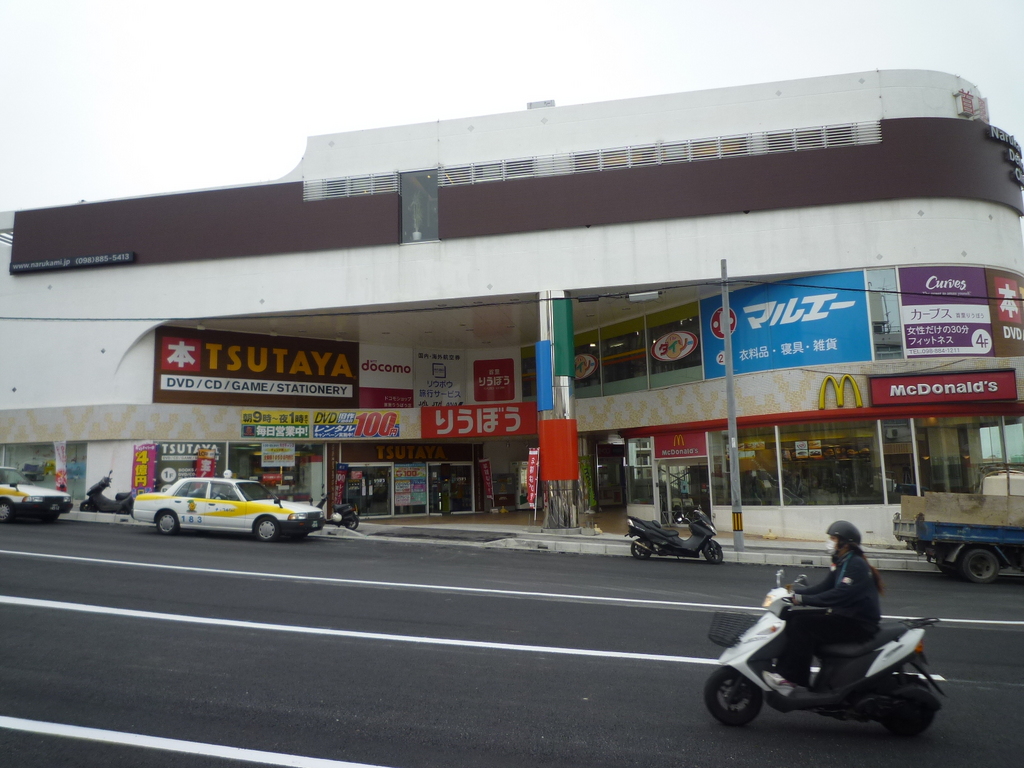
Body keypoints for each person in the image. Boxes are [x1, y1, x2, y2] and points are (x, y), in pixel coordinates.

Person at [763, 520, 884, 695]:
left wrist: (802, 599)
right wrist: (790, 592)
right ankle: (782, 671)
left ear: (845, 543)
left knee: (802, 625)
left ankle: (792, 679)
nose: (830, 542)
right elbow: (823, 587)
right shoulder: (843, 562)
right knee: (792, 617)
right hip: (845, 615)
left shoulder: (856, 564)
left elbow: (838, 595)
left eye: (833, 539)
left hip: (858, 623)